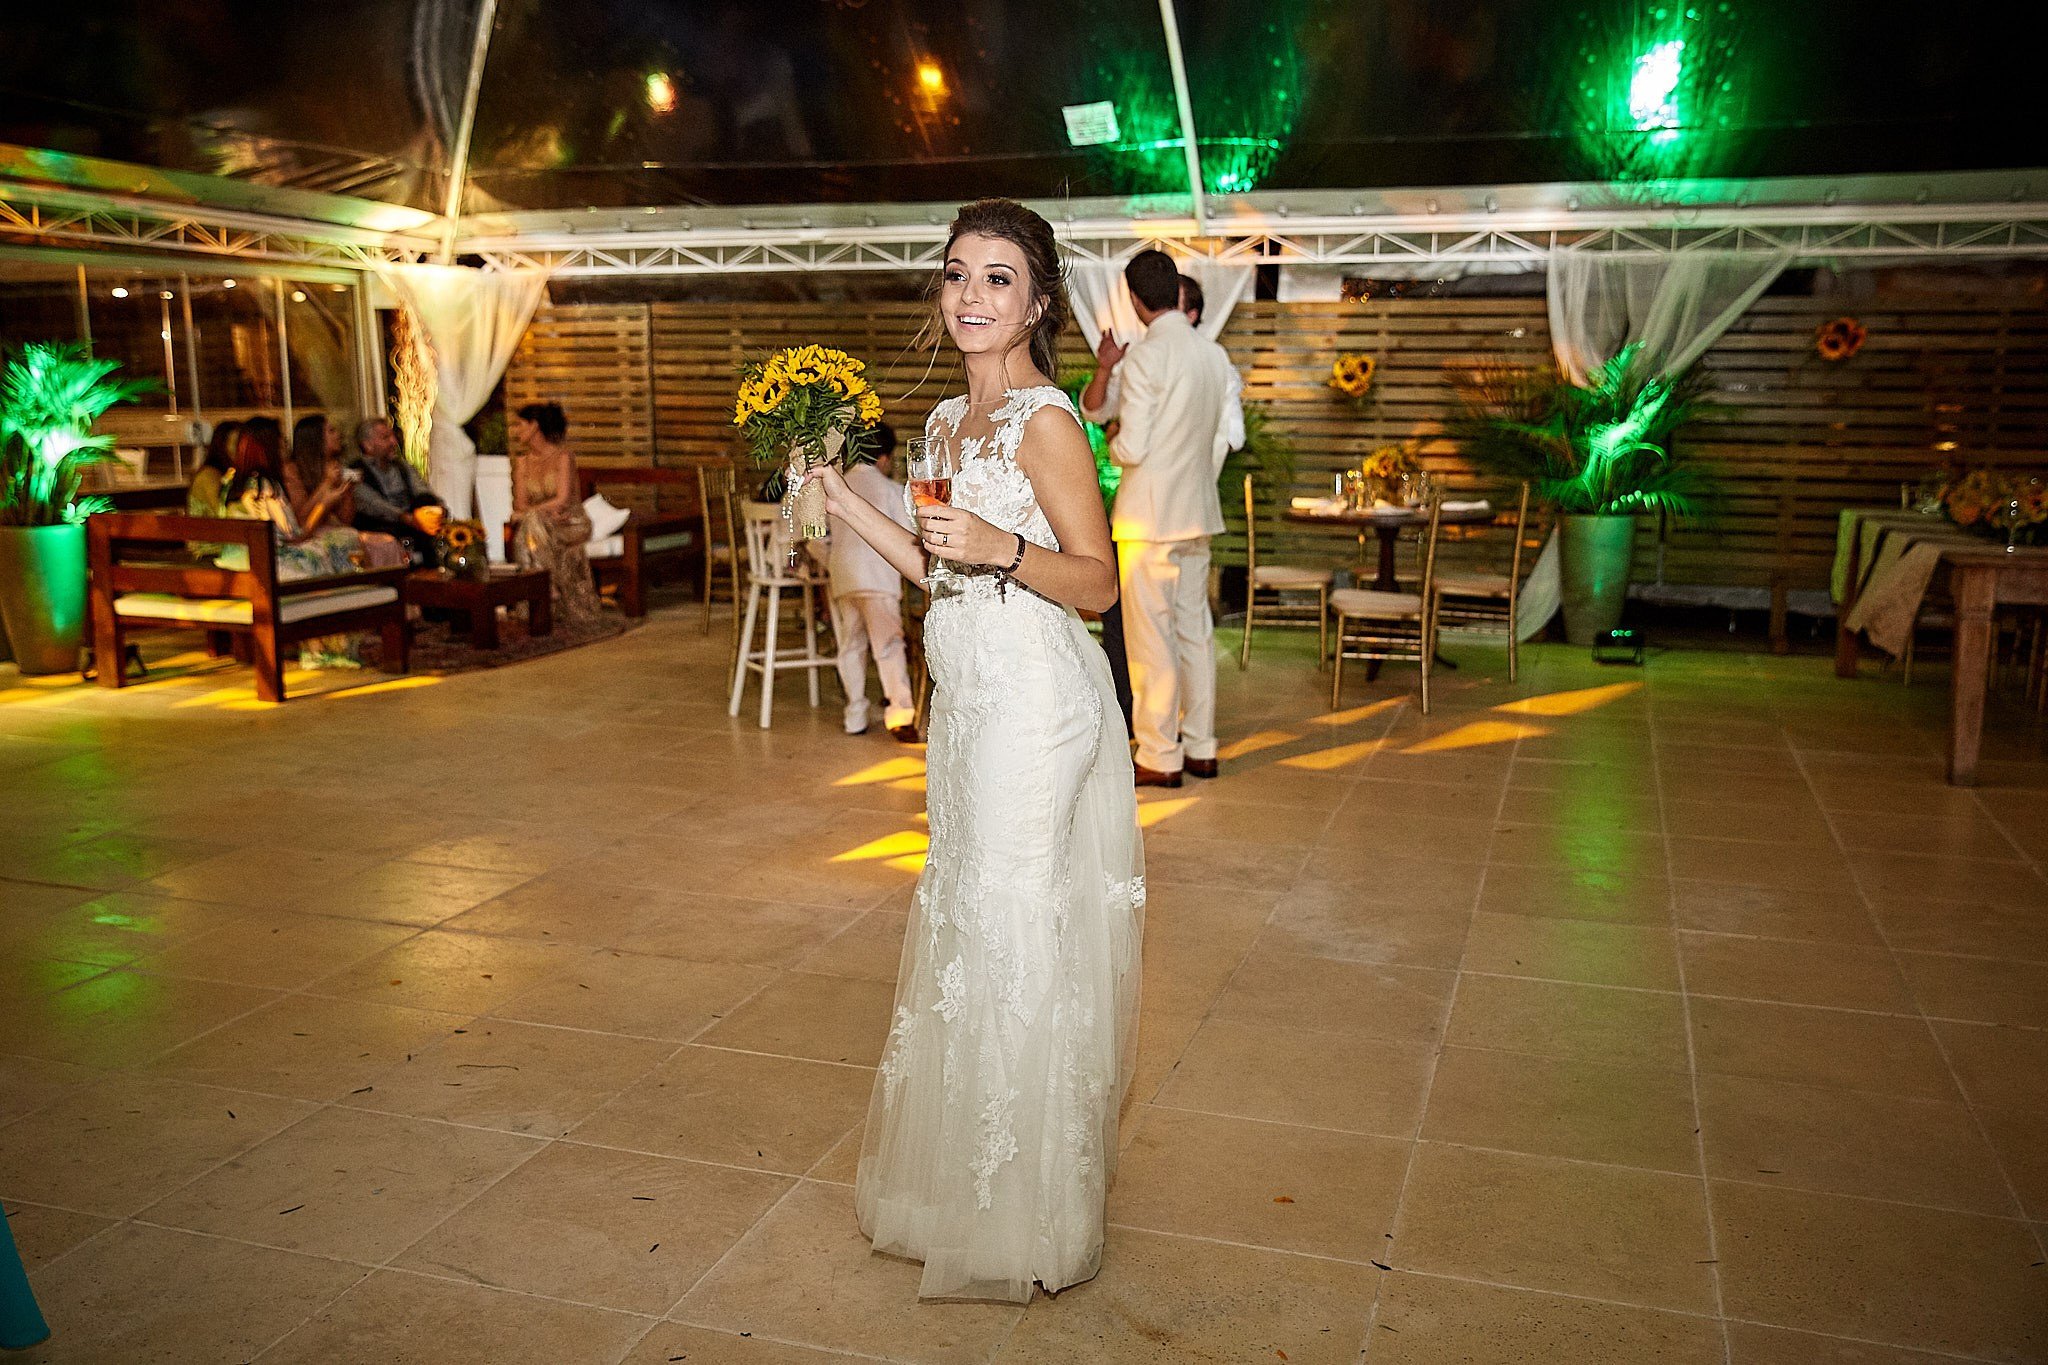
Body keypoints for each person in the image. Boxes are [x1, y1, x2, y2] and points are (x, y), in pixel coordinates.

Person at [814, 197, 1143, 1303]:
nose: (970, 296)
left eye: (998, 278)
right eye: (956, 274)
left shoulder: (1048, 421)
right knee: (963, 921)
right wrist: (845, 504)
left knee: (1010, 924)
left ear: (1039, 301)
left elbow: (1095, 584)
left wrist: (1004, 545)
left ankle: (1026, 1215)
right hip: (965, 702)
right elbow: (934, 568)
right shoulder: (945, 429)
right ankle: (960, 1189)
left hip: (1036, 703)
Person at [1081, 252, 1238, 788]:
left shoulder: (1150, 356)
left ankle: (1158, 753)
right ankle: (1201, 746)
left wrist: (1113, 444)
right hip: (1196, 514)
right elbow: (1099, 406)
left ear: (1134, 299)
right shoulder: (1215, 357)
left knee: (1151, 640)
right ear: (1175, 291)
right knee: (1195, 633)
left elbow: (1132, 444)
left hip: (1149, 519)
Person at [823, 423, 920, 741]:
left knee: (851, 645)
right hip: (879, 579)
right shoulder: (891, 490)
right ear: (883, 458)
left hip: (844, 577)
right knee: (888, 645)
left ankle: (855, 713)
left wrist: (831, 562)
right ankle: (901, 713)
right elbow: (908, 539)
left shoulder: (837, 486)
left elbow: (818, 536)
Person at [510, 401, 602, 630]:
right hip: (544, 523)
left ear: (534, 426)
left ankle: (541, 588)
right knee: (532, 523)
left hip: (570, 522)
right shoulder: (521, 463)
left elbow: (562, 500)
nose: (516, 431)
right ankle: (547, 584)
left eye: (520, 425)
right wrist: (540, 514)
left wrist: (533, 513)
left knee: (528, 524)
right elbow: (520, 503)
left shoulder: (563, 458)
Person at [350, 416, 445, 567]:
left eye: (393, 436)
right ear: (367, 445)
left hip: (413, 522)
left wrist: (437, 505)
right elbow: (374, 504)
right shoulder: (356, 472)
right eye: (385, 438)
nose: (393, 442)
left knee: (428, 507)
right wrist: (405, 517)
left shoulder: (401, 466)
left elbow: (421, 488)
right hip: (382, 526)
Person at [286, 414, 355, 534]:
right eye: (331, 431)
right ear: (315, 438)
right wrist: (327, 483)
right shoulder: (292, 470)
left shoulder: (334, 466)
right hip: (306, 534)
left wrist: (346, 488)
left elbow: (346, 519)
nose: (338, 435)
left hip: (337, 531)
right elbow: (301, 518)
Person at [187, 419, 239, 519]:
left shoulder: (229, 473)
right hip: (204, 531)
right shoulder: (209, 476)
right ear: (222, 446)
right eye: (236, 444)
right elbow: (221, 512)